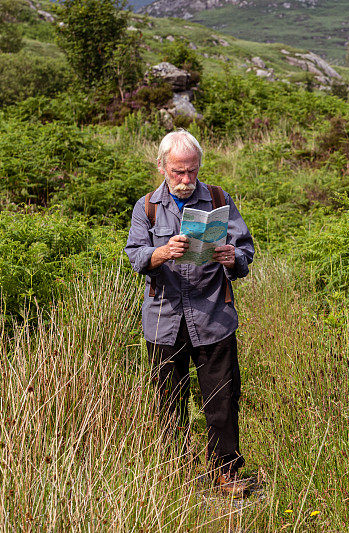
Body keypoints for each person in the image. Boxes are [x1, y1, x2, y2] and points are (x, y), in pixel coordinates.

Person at [125, 129, 255, 497]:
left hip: (213, 317)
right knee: (169, 401)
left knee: (222, 400)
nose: (185, 180)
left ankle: (226, 472)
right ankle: (175, 474)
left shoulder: (217, 198)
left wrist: (234, 257)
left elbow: (244, 249)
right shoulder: (146, 206)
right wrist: (163, 252)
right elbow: (135, 255)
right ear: (163, 166)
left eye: (192, 172)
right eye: (178, 172)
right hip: (164, 321)